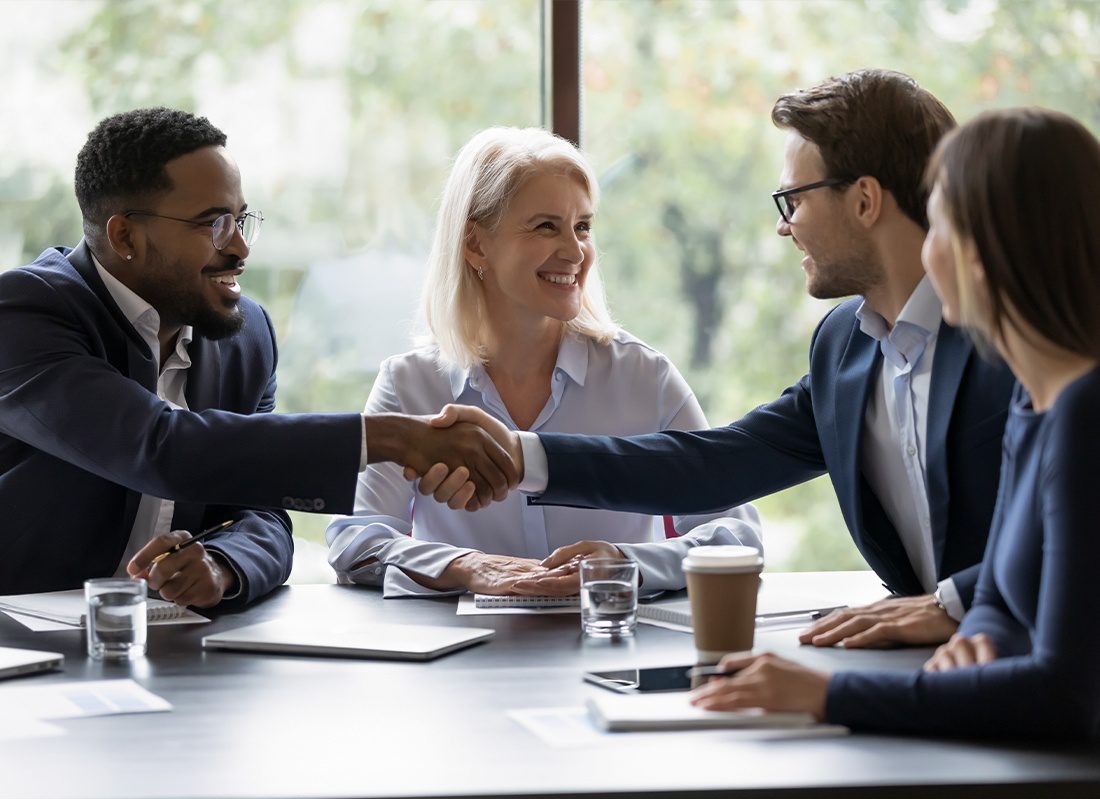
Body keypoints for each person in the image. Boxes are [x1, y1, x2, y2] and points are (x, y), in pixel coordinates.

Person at [418, 69, 1016, 646]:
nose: (786, 228)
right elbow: (713, 464)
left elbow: (1072, 523)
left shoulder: (1022, 335)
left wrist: (954, 603)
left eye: (794, 199)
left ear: (863, 201)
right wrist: (515, 455)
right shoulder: (845, 348)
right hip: (928, 673)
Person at [690, 107, 1100, 738]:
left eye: (937, 225)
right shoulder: (1036, 404)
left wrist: (827, 693)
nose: (924, 252)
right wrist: (981, 640)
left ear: (988, 250)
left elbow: (1066, 695)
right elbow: (997, 596)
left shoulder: (1083, 416)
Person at [0, 108, 517, 607]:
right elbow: (159, 448)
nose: (241, 248)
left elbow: (263, 513)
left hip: (172, 648)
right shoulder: (23, 314)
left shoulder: (244, 336)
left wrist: (223, 566)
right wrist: (393, 438)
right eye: (214, 224)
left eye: (242, 219)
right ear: (125, 236)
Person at [326, 127, 761, 597]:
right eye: (546, 227)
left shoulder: (643, 377)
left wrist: (624, 563)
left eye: (583, 227)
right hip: (465, 661)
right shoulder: (410, 383)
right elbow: (356, 539)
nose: (575, 252)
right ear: (475, 244)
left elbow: (736, 536)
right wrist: (466, 566)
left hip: (612, 651)